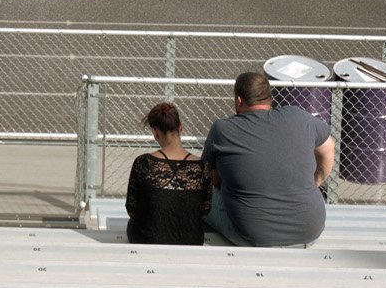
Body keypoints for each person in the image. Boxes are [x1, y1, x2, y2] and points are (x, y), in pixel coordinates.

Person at [202, 70, 334, 249]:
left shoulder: (222, 129)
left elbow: (213, 181)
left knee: (201, 192)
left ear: (239, 100)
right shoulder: (298, 116)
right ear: (268, 98)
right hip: (309, 231)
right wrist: (317, 179)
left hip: (254, 236)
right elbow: (328, 147)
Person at [125, 101, 210, 245]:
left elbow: (132, 208)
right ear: (181, 128)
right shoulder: (203, 167)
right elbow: (205, 210)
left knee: (132, 224)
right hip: (191, 240)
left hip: (149, 240)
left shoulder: (143, 163)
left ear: (155, 133)